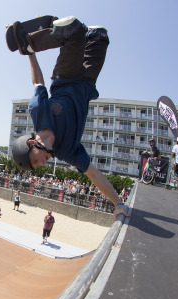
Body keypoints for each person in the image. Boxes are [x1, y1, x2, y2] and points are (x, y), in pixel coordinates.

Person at [10, 16, 128, 220]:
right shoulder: (68, 152)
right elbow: (95, 175)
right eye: (38, 166)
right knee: (100, 35)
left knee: (75, 30)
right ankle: (66, 32)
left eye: (36, 161)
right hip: (87, 83)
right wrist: (118, 203)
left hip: (66, 77)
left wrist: (30, 54)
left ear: (32, 144)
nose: (42, 163)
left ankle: (30, 41)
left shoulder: (39, 111)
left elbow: (38, 82)